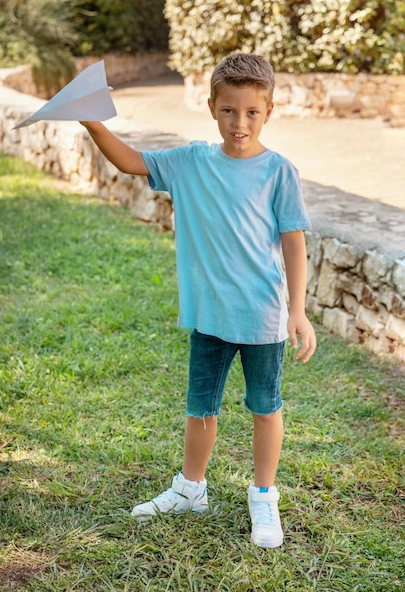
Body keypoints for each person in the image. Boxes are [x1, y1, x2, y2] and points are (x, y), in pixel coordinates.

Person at [80, 52, 316, 549]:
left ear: (268, 111)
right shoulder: (190, 162)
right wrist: (89, 118)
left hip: (263, 318)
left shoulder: (279, 172)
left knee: (265, 408)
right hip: (210, 316)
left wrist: (298, 310)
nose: (239, 122)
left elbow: (294, 242)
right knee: (200, 407)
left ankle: (263, 496)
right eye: (229, 110)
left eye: (252, 112)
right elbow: (131, 161)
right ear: (212, 107)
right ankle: (191, 489)